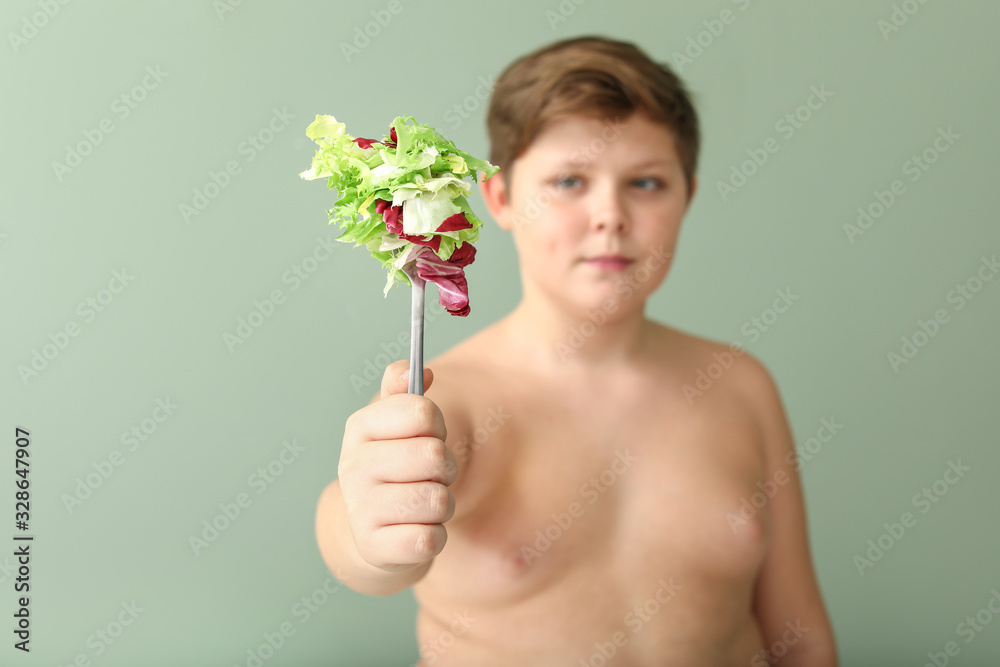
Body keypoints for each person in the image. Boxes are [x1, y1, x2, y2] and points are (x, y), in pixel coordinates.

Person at [315, 35, 838, 666]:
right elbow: (364, 538)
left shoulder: (740, 386)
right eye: (568, 180)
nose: (610, 214)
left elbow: (800, 635)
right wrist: (364, 532)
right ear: (501, 198)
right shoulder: (451, 400)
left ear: (687, 198)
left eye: (646, 182)